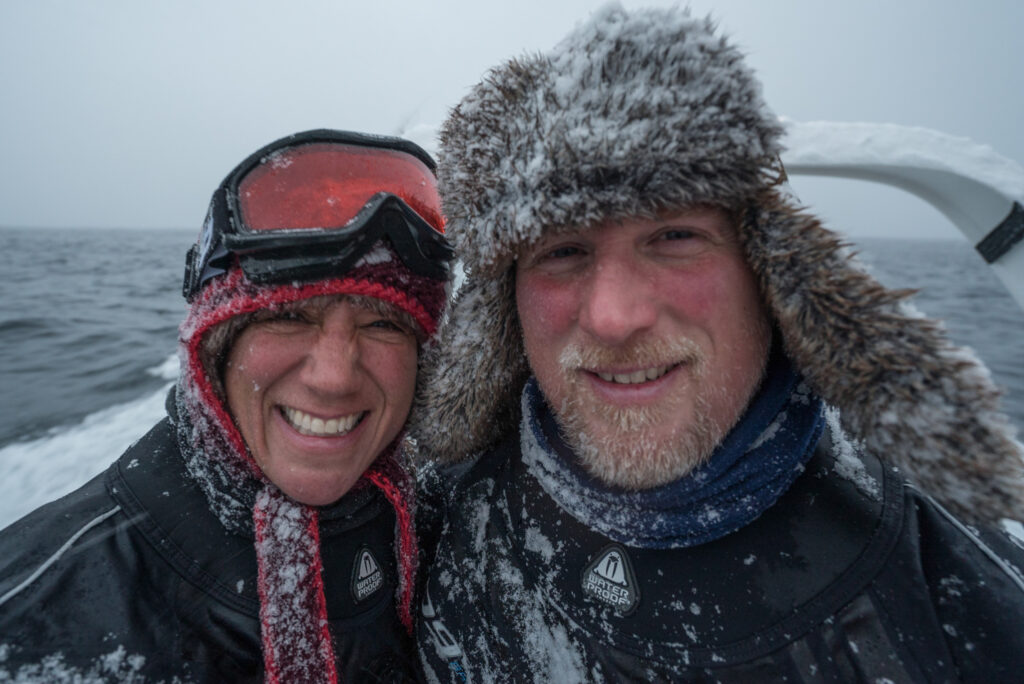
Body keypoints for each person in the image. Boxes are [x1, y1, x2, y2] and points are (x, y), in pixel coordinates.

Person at [412, 6, 1024, 682]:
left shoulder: (956, 593)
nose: (614, 316)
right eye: (563, 250)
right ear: (504, 305)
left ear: (768, 269)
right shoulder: (435, 517)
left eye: (673, 236)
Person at [0, 129, 452, 682]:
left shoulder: (435, 515)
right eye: (290, 316)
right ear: (214, 354)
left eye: (382, 323)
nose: (334, 378)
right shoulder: (42, 609)